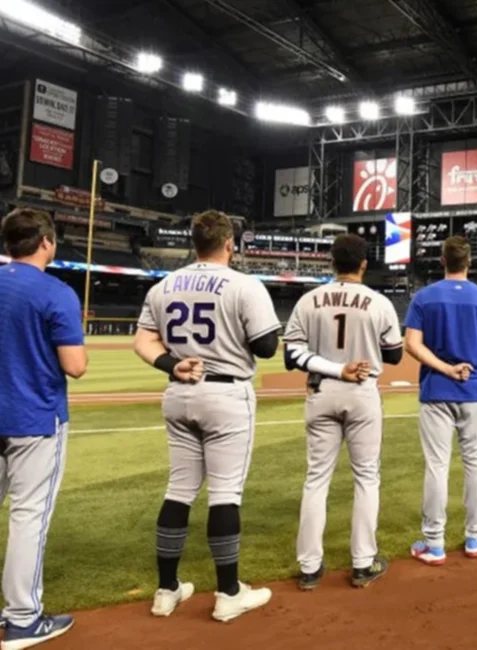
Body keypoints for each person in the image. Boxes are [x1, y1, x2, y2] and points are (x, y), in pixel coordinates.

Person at [134, 210, 280, 622]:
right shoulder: (243, 284)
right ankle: (229, 593)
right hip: (226, 394)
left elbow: (143, 341)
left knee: (179, 489)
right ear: (230, 243)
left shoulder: (165, 284)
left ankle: (166, 590)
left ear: (194, 243)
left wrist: (171, 364)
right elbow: (267, 347)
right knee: (225, 493)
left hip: (179, 390)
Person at [283, 234, 401, 590]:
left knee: (316, 478)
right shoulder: (378, 302)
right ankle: (363, 563)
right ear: (364, 264)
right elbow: (394, 354)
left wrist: (330, 364)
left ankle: (309, 567)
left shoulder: (308, 300)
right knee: (366, 477)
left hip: (321, 390)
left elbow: (291, 356)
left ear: (332, 263)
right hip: (362, 393)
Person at [0, 209, 87, 648]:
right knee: (28, 517)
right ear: (46, 243)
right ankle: (22, 619)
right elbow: (75, 366)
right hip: (34, 417)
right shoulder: (56, 292)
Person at [404, 236, 477, 565]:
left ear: (441, 261)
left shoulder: (424, 297)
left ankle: (434, 544)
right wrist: (474, 348)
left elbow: (412, 346)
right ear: (470, 262)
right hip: (473, 391)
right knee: (475, 463)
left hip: (436, 389)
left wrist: (446, 367)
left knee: (437, 466)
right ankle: (475, 538)